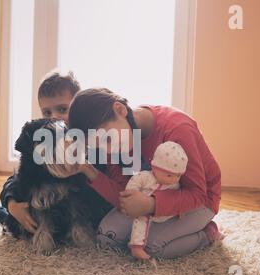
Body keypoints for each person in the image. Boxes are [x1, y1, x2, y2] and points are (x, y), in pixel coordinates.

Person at [64, 88, 223, 260]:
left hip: (200, 201)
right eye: (99, 147)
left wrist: (151, 205)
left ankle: (208, 233)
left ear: (120, 110)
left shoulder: (177, 130)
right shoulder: (118, 139)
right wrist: (87, 169)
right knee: (106, 237)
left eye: (107, 139)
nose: (108, 150)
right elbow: (124, 196)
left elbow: (198, 194)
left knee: (151, 247)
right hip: (151, 196)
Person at [0, 72, 111, 229]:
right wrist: (11, 203)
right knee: (20, 215)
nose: (53, 117)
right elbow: (18, 179)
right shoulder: (43, 143)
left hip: (86, 215)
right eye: (47, 112)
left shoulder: (95, 140)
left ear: (78, 107)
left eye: (62, 109)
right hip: (47, 213)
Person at [126, 141, 188, 260]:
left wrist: (181, 210)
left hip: (167, 214)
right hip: (144, 211)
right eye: (169, 175)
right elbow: (133, 184)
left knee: (175, 226)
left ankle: (206, 232)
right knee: (140, 221)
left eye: (178, 176)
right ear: (154, 168)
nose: (174, 180)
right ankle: (136, 247)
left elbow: (179, 197)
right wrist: (131, 196)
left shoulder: (174, 184)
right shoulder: (145, 177)